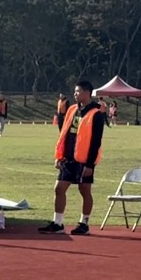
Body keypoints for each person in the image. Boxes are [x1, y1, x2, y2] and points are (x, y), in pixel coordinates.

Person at [38, 80, 105, 236]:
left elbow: (96, 140)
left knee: (84, 190)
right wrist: (59, 156)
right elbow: (64, 133)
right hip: (68, 158)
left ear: (87, 92)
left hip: (84, 159)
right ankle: (58, 223)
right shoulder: (72, 109)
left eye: (78, 91)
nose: (75, 94)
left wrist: (90, 165)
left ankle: (84, 224)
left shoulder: (96, 113)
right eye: (74, 91)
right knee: (59, 188)